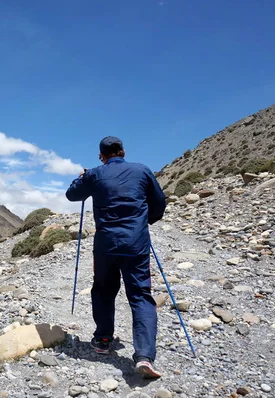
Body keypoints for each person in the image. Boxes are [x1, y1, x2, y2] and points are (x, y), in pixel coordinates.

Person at [65, 136, 166, 378]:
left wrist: (80, 177)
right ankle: (144, 356)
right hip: (136, 243)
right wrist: (143, 222)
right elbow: (159, 204)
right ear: (123, 151)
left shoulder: (95, 174)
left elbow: (72, 195)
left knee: (103, 290)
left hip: (106, 244)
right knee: (141, 295)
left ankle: (102, 340)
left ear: (102, 156)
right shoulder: (142, 171)